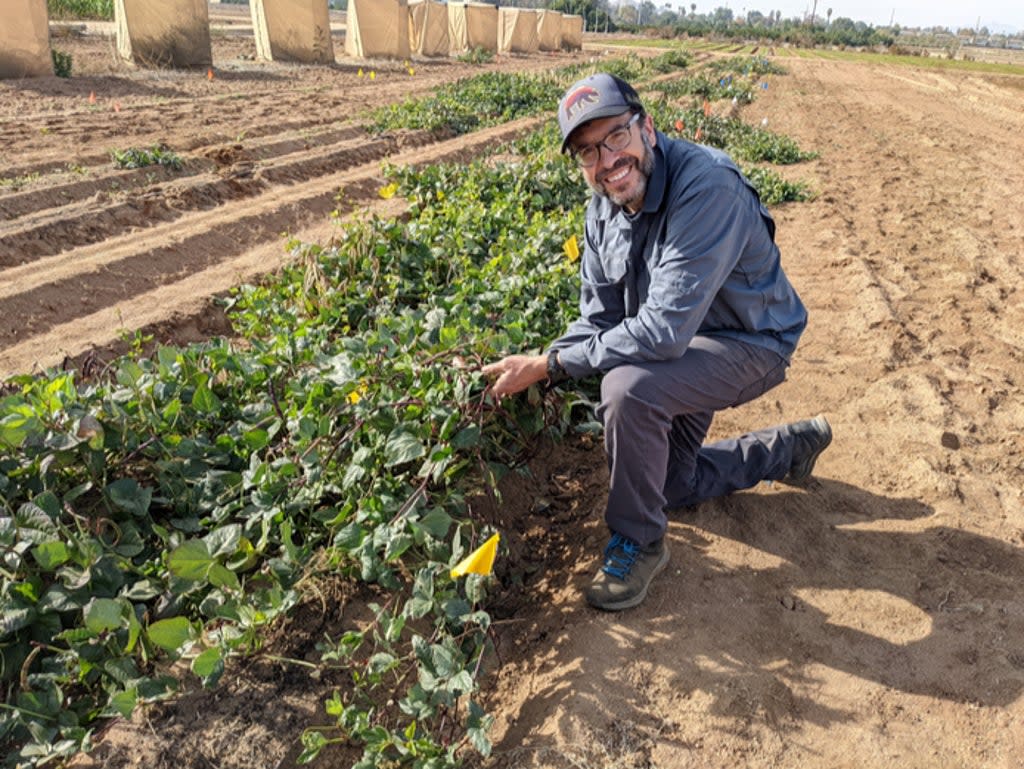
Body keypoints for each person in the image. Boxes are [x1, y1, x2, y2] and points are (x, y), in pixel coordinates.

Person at [481, 73, 832, 612]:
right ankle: (788, 448)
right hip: (684, 353)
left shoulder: (706, 187)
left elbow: (663, 332)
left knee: (628, 389)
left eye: (615, 137)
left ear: (646, 127)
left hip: (749, 342)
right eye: (587, 153)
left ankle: (639, 543)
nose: (606, 161)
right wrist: (538, 360)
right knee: (670, 486)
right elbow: (595, 320)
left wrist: (553, 365)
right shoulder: (602, 210)